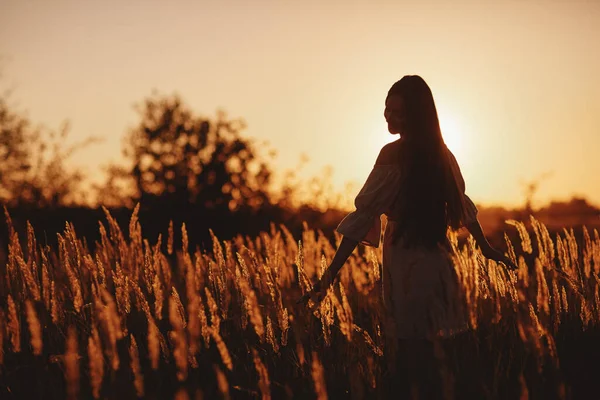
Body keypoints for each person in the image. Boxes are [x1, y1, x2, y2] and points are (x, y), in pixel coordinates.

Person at [298, 75, 517, 398]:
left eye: (397, 111)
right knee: (435, 359)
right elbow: (464, 206)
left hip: (407, 263)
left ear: (415, 114)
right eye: (386, 109)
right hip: (440, 264)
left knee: (409, 358)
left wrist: (328, 278)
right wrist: (485, 248)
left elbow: (363, 217)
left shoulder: (392, 155)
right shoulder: (442, 154)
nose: (388, 117)